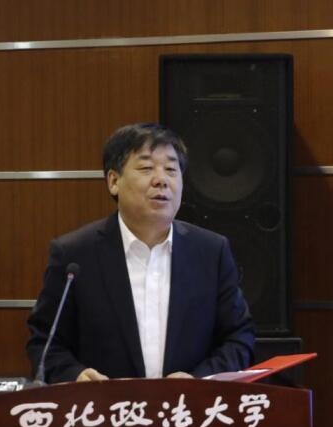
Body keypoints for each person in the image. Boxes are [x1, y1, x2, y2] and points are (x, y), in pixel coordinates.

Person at [26, 123, 254, 383]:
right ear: (114, 181)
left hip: (188, 405)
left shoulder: (211, 252)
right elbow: (45, 342)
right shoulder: (75, 254)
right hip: (104, 406)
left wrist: (198, 380)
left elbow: (239, 337)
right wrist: (75, 375)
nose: (161, 180)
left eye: (171, 170)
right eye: (146, 168)